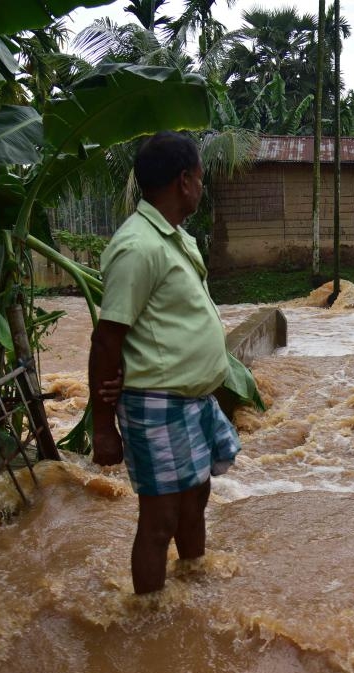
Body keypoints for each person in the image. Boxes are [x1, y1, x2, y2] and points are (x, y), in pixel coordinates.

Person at [89, 131, 241, 595]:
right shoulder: (137, 248)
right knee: (159, 521)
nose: (202, 185)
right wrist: (102, 426)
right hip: (157, 403)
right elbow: (107, 338)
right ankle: (149, 624)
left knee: (195, 501)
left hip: (193, 400)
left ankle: (192, 592)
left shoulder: (173, 237)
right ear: (184, 181)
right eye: (199, 176)